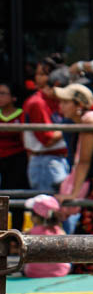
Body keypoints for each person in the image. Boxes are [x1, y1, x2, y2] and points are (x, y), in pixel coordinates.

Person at [53, 83, 93, 273]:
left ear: (78, 104)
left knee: (89, 238)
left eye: (65, 101)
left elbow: (84, 161)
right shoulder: (88, 119)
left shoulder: (89, 121)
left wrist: (74, 194)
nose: (60, 106)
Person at [23, 68, 71, 194]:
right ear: (57, 85)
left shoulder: (52, 101)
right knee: (46, 210)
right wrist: (71, 124)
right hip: (46, 163)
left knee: (58, 209)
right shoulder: (37, 103)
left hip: (56, 161)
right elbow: (47, 139)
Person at [0, 81, 29, 231]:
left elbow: (26, 140)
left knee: (16, 199)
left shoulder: (22, 114)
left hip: (16, 160)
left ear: (13, 98)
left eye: (3, 93)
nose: (0, 97)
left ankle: (15, 237)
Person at [22, 194, 71, 278]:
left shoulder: (31, 232)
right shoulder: (60, 231)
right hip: (61, 272)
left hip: (33, 273)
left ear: (36, 217)